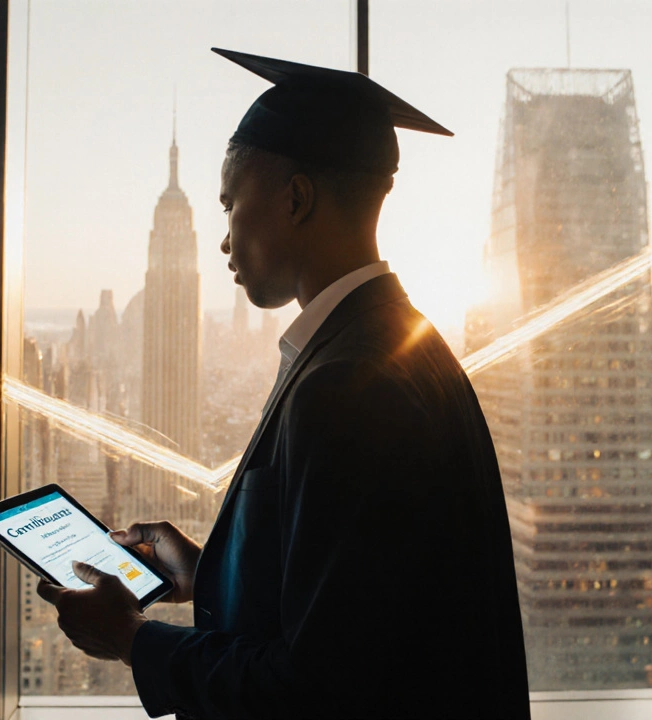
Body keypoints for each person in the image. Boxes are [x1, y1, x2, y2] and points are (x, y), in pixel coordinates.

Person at [37, 48, 529, 719]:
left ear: (296, 199)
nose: (223, 240)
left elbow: (317, 691)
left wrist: (133, 640)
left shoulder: (352, 385)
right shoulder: (395, 342)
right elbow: (356, 601)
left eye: (231, 203)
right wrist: (211, 570)